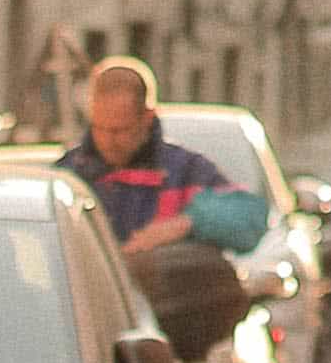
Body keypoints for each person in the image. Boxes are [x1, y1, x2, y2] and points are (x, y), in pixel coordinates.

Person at [59, 55, 228, 248]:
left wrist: (187, 223)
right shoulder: (67, 176)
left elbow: (249, 216)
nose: (108, 140)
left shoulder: (186, 172)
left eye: (119, 130)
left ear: (147, 118)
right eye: (99, 128)